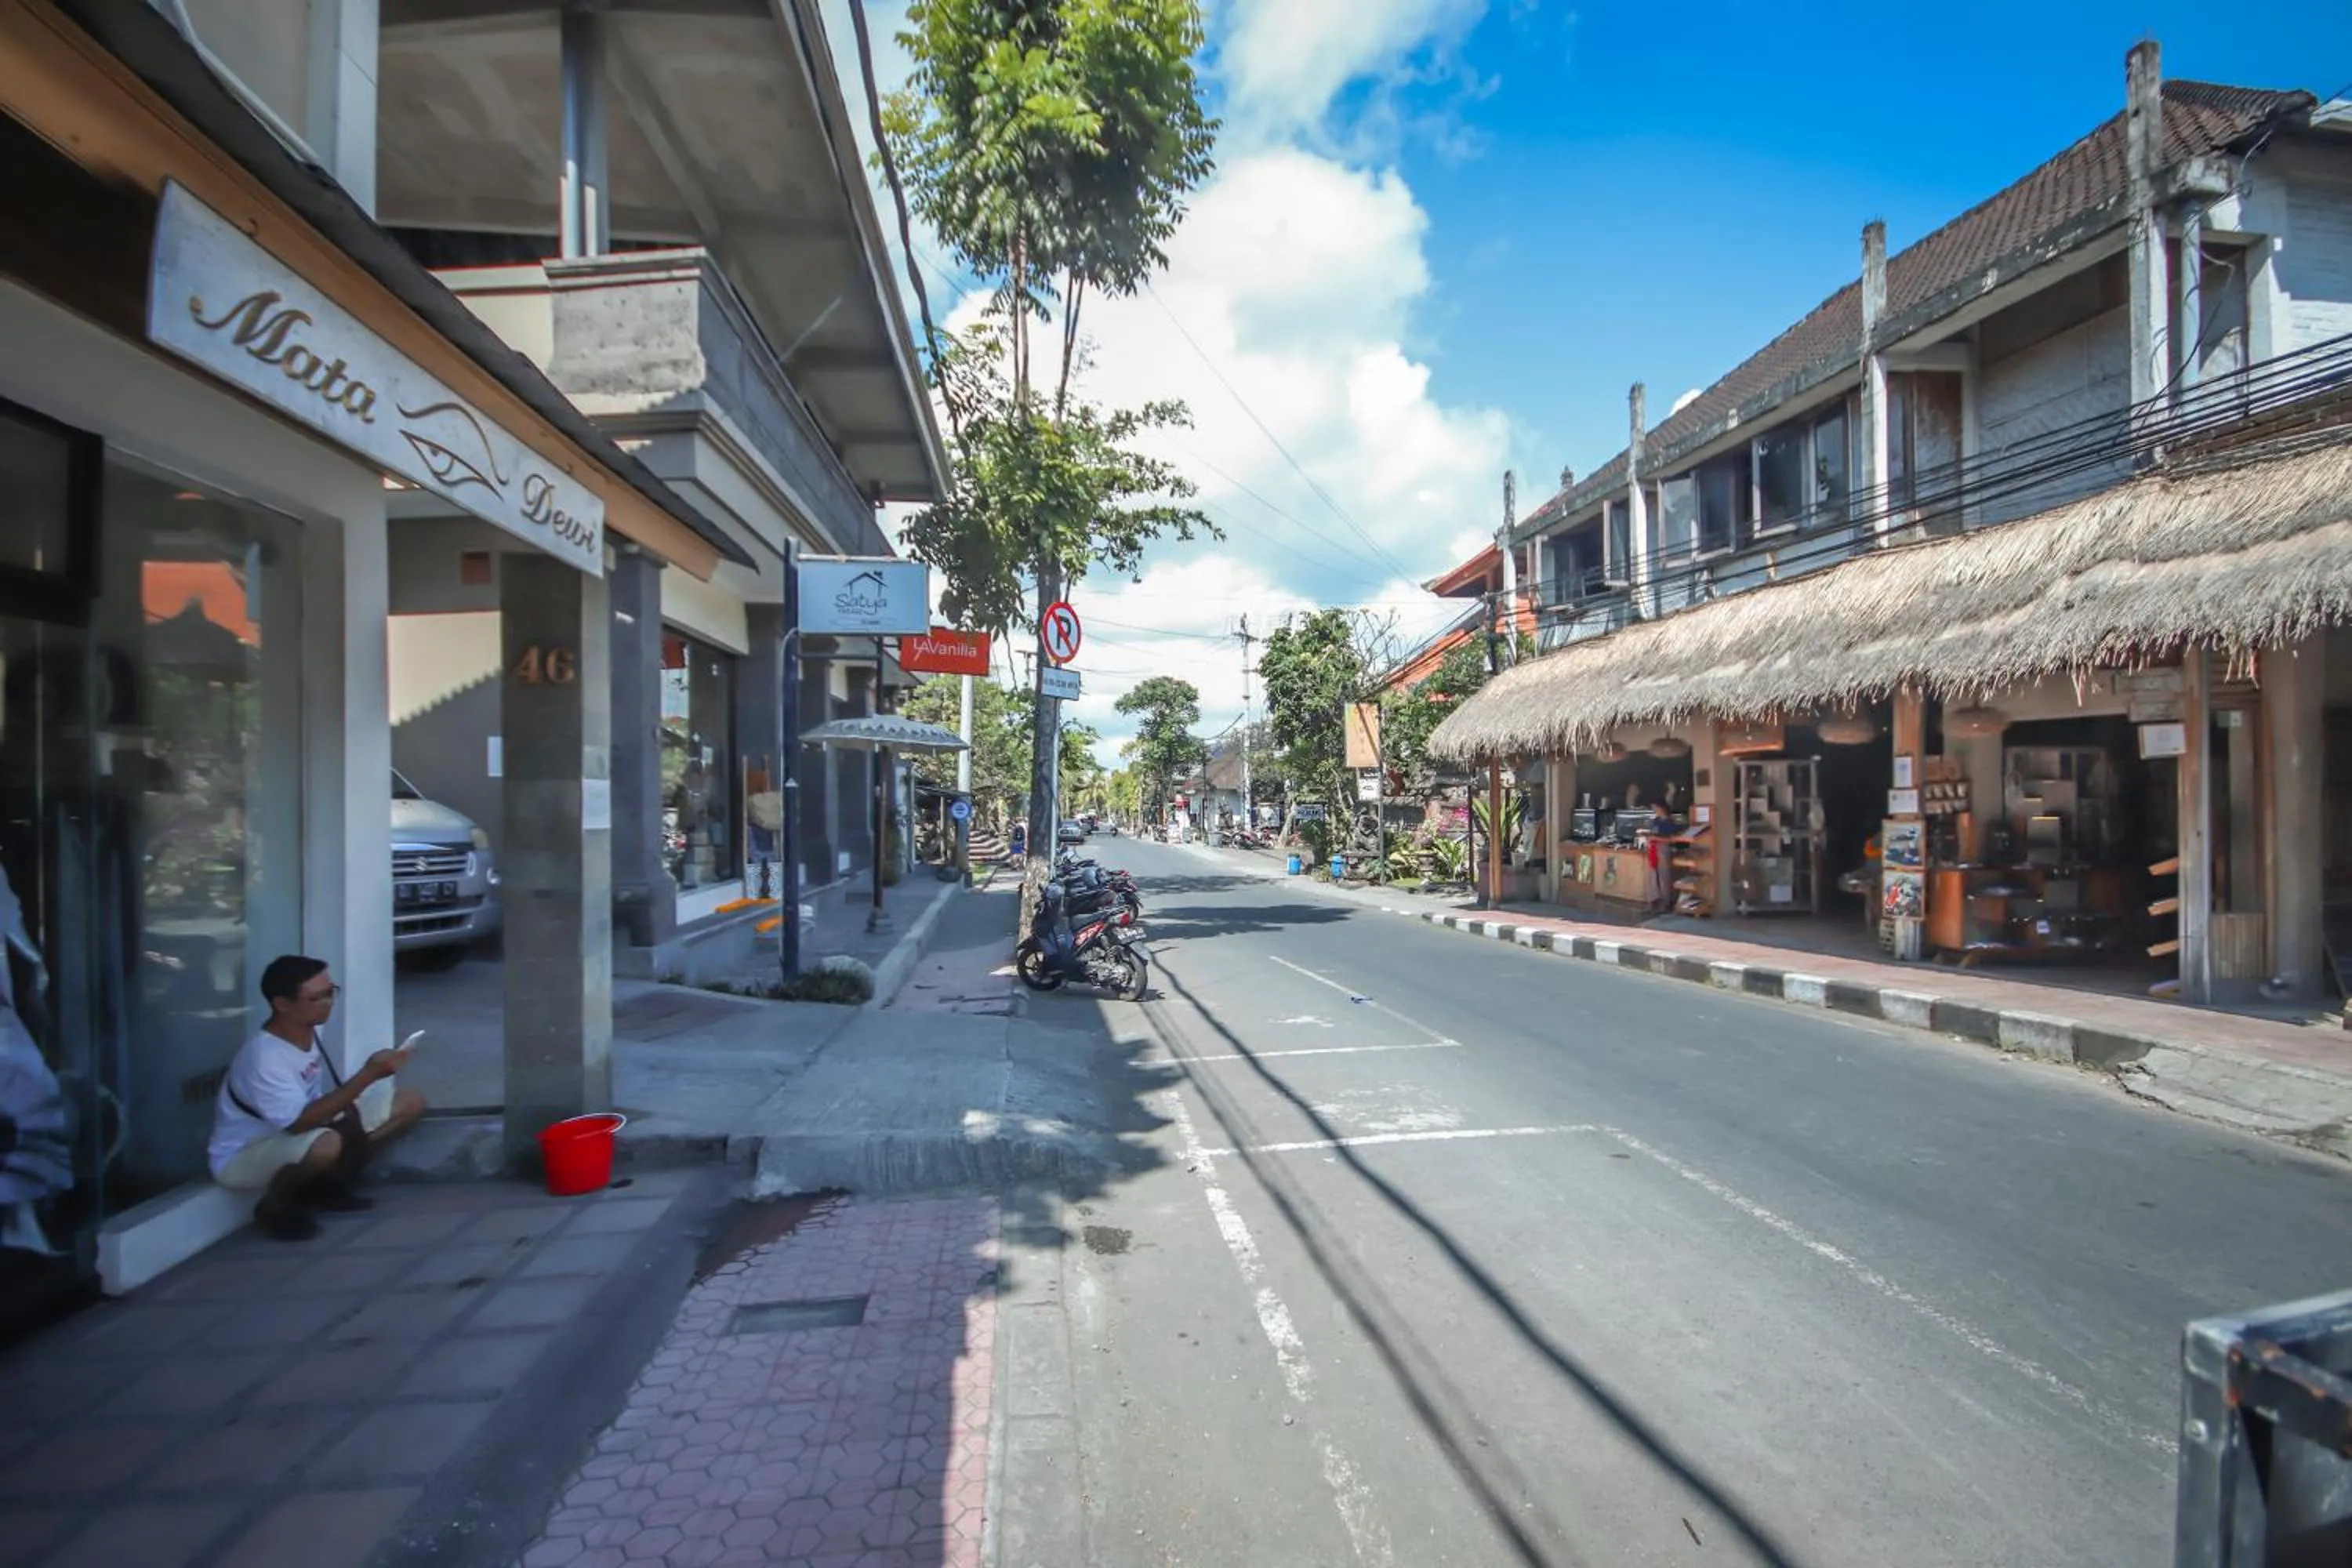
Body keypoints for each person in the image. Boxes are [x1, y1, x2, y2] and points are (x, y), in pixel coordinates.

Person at [208, 956, 426, 1240]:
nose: (328, 1002)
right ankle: (275, 1207)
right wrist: (368, 1075)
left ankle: (327, 1184)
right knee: (327, 1144)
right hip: (246, 1151)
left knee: (410, 1103)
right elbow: (298, 1123)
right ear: (282, 1004)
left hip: (305, 1125)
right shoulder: (265, 1058)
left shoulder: (309, 1026)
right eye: (317, 997)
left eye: (330, 992)